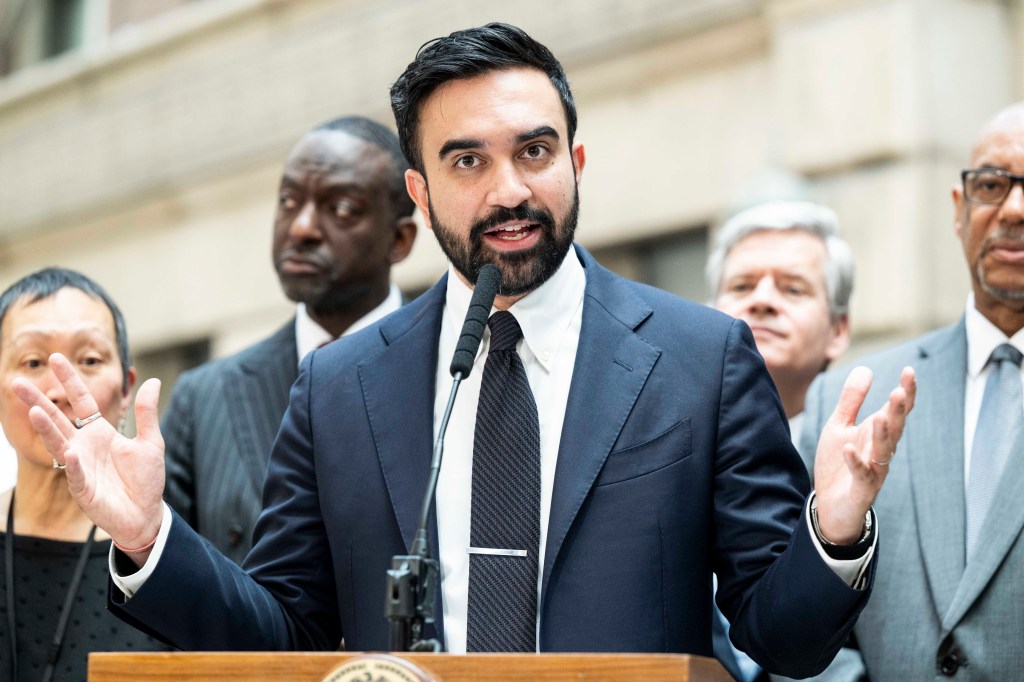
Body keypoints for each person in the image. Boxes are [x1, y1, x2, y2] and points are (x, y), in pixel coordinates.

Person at [13, 24, 914, 678]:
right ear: (420, 188)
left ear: (577, 162)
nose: (510, 189)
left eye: (534, 151)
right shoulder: (340, 385)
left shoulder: (699, 357)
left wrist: (831, 534)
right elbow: (283, 633)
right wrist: (147, 536)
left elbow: (781, 638)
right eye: (468, 161)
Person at [799, 103, 1024, 679]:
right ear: (959, 209)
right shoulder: (849, 403)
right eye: (993, 185)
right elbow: (794, 621)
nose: (1015, 209)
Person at [162, 116, 417, 564]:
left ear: (399, 239)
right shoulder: (203, 400)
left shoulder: (457, 368)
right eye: (288, 200)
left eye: (340, 208)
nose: (301, 228)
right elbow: (161, 597)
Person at [708, 202, 860, 681]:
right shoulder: (661, 449)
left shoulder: (872, 464)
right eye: (741, 286)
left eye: (792, 288)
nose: (763, 300)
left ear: (838, 331)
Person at [0, 268, 167, 682]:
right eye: (33, 361)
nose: (59, 389)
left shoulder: (165, 559)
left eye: (89, 360)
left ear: (126, 389)